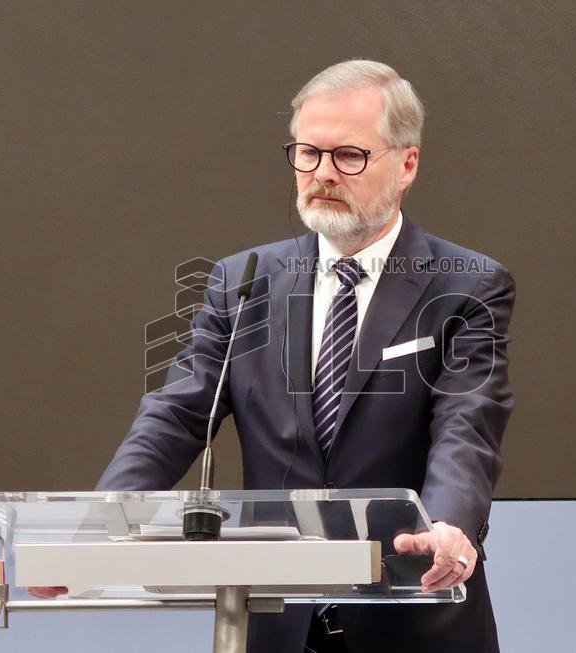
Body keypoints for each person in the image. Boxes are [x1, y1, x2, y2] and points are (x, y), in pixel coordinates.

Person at [97, 60, 515, 653]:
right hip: (273, 616)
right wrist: (104, 521)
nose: (322, 174)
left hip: (412, 609)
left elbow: (467, 423)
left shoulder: (467, 284)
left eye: (349, 156)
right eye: (307, 153)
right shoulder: (242, 281)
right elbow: (178, 413)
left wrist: (448, 523)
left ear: (406, 164)